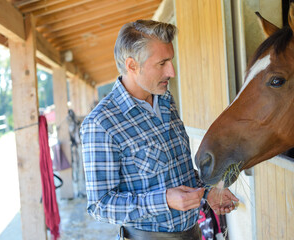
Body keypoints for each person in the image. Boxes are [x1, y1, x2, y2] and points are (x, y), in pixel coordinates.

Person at [80, 19, 239, 240]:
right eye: (162, 63)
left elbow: (176, 171)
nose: (171, 72)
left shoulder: (165, 100)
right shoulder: (101, 124)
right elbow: (100, 206)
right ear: (132, 65)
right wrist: (164, 200)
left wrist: (208, 192)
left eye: (171, 61)